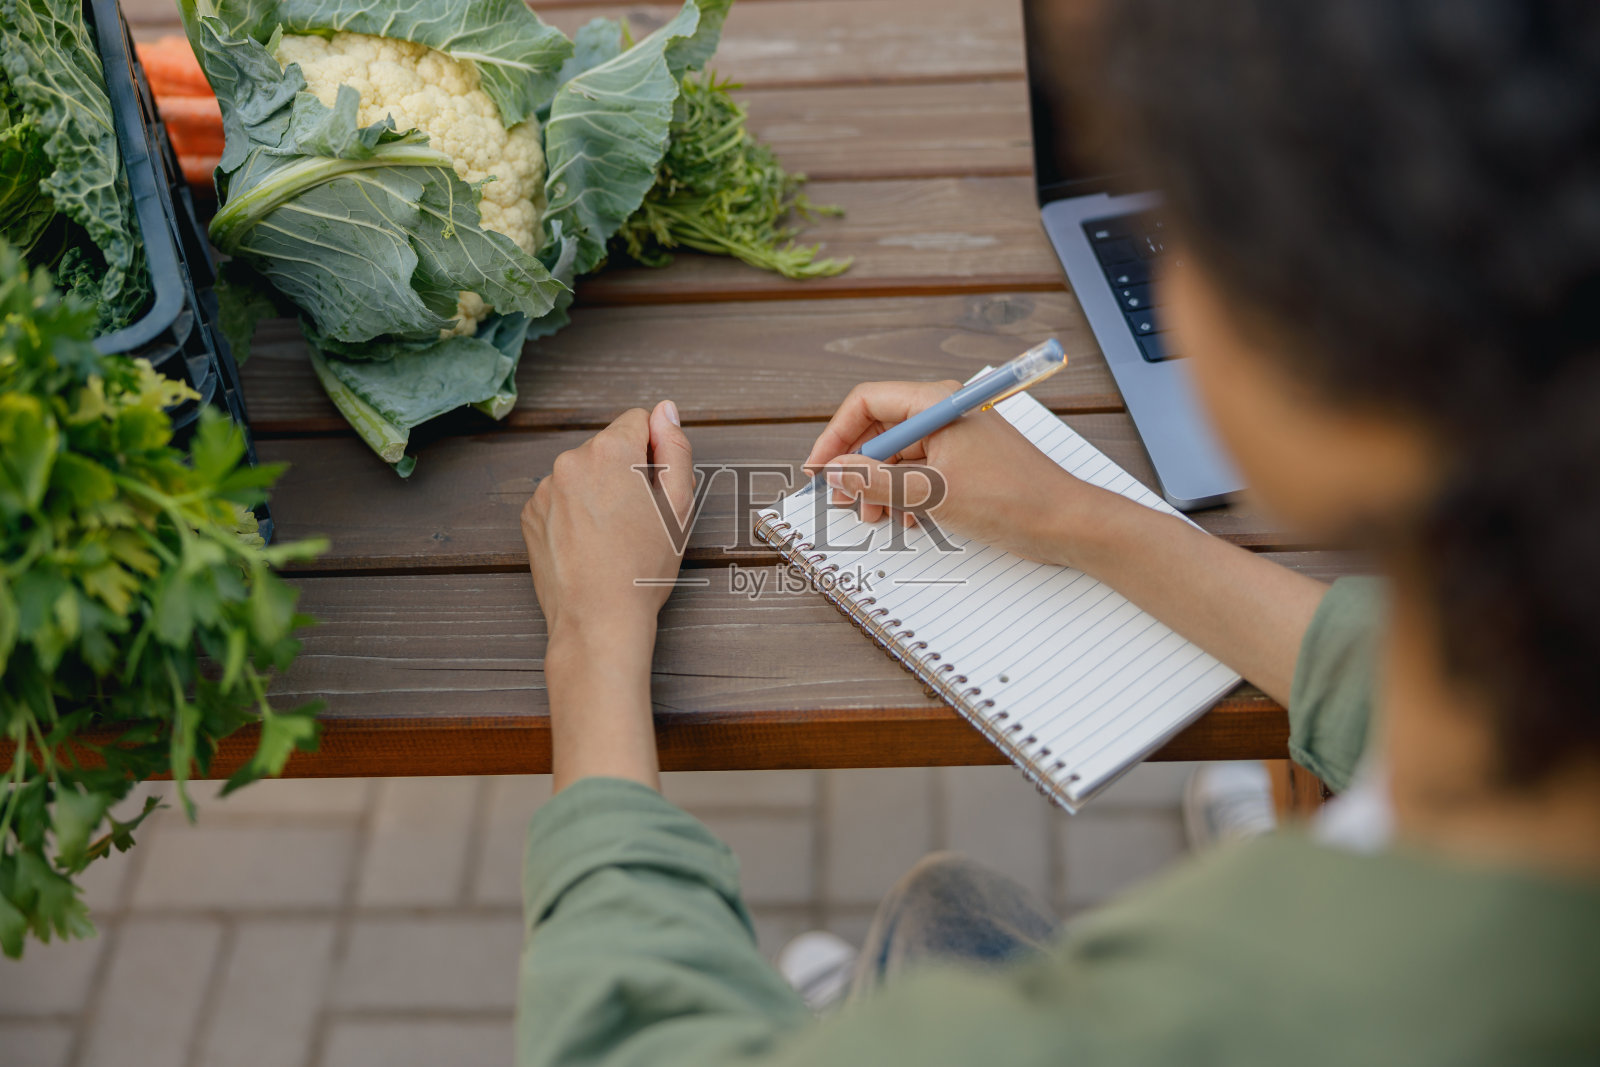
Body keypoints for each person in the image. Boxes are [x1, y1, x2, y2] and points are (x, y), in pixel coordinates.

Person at [512, 0, 1600, 1062]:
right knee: (945, 907)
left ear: (1332, 375)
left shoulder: (1234, 997)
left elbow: (632, 1036)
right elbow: (1414, 679)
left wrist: (596, 637)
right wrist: (1091, 522)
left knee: (935, 932)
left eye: (1191, 227)